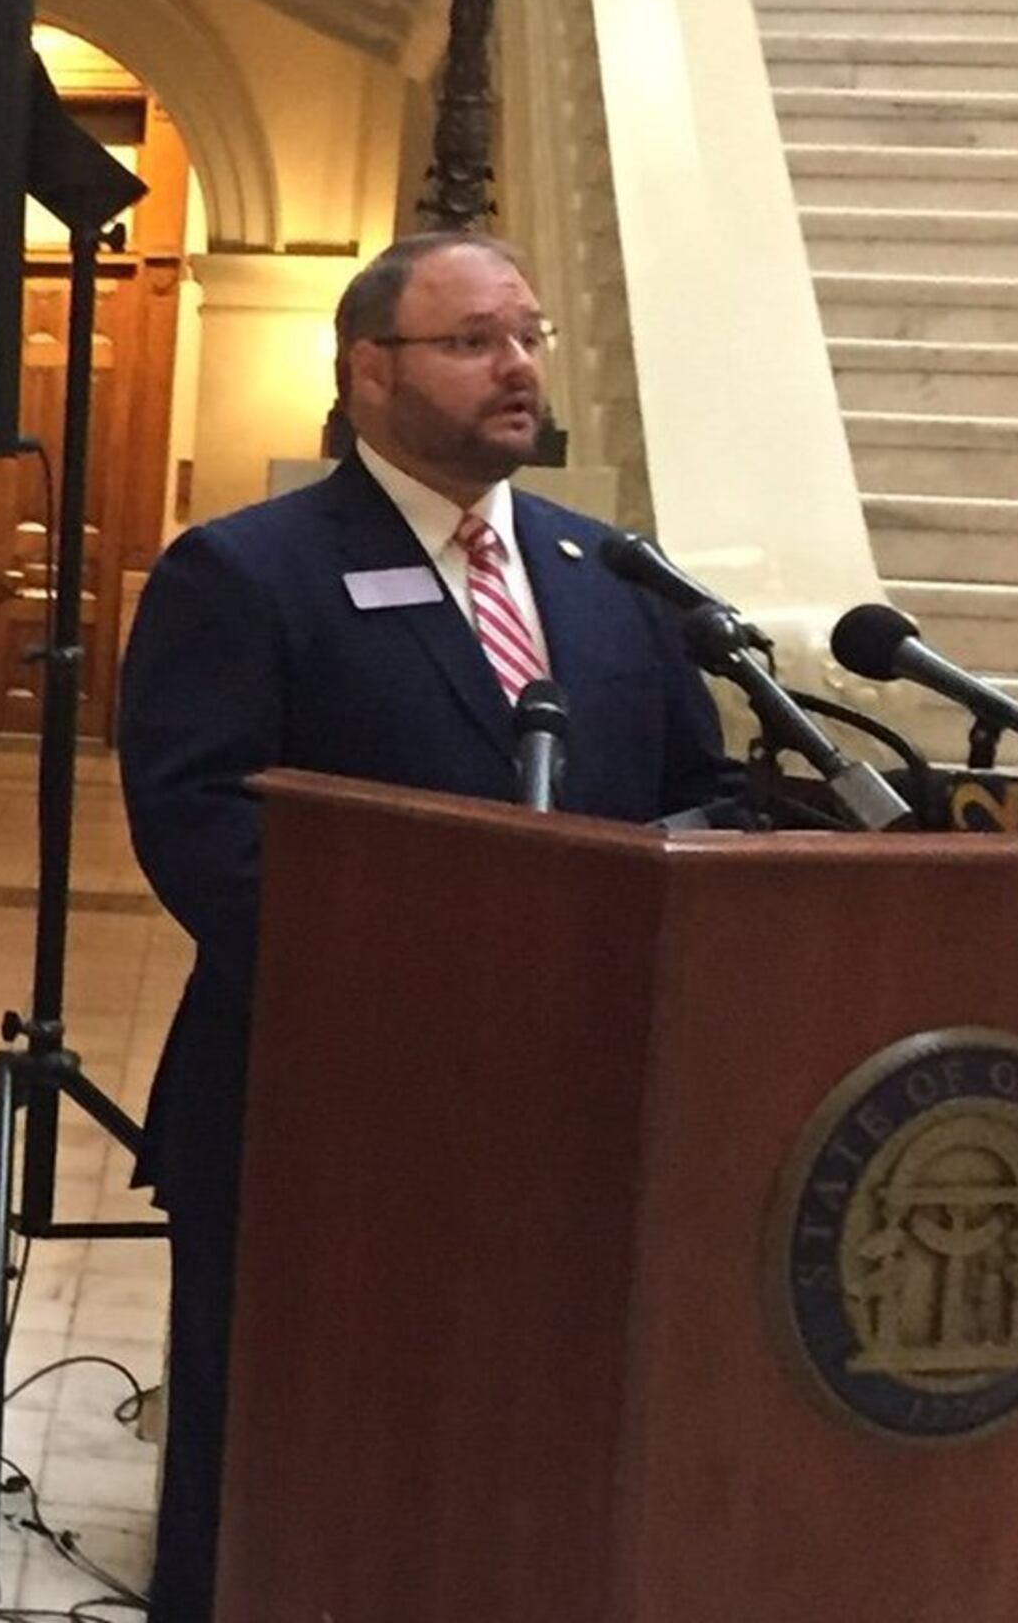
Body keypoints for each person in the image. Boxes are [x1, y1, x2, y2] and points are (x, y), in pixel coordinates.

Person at [113, 230, 735, 1623]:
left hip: (573, 1132)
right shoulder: (245, 571)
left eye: (528, 336)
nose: (515, 366)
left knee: (519, 1504)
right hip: (319, 1121)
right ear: (369, 371)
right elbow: (202, 830)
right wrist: (445, 979)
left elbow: (705, 796)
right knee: (277, 1500)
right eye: (473, 342)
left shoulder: (611, 575)